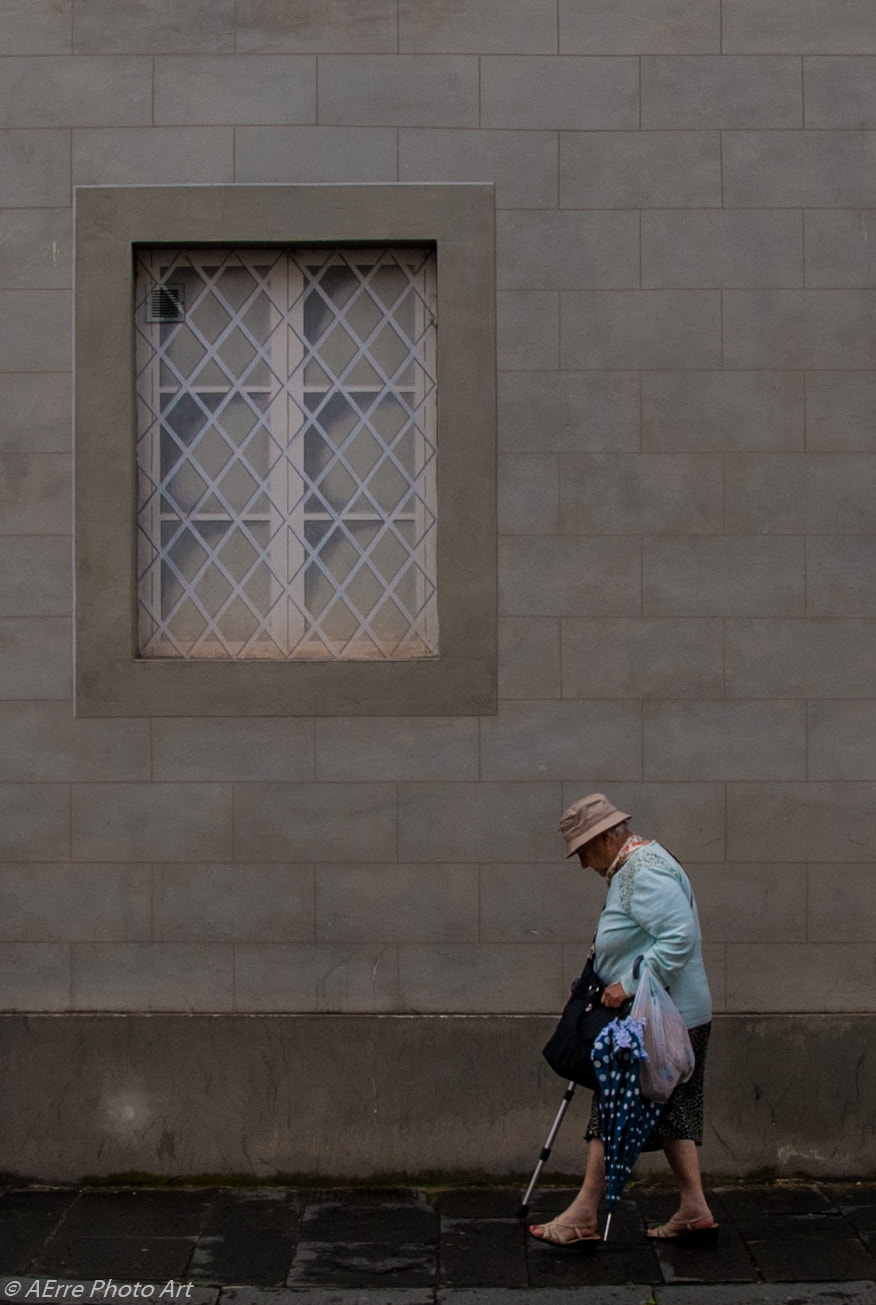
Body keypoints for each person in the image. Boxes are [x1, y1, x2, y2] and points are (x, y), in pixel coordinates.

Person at [530, 792, 717, 1246]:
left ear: (605, 838)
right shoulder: (639, 862)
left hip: (659, 1018)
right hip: (680, 1015)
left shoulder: (642, 871)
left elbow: (679, 936)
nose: (582, 864)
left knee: (612, 1108)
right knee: (672, 1112)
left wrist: (629, 982)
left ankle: (582, 1215)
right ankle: (694, 1207)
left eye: (584, 852)